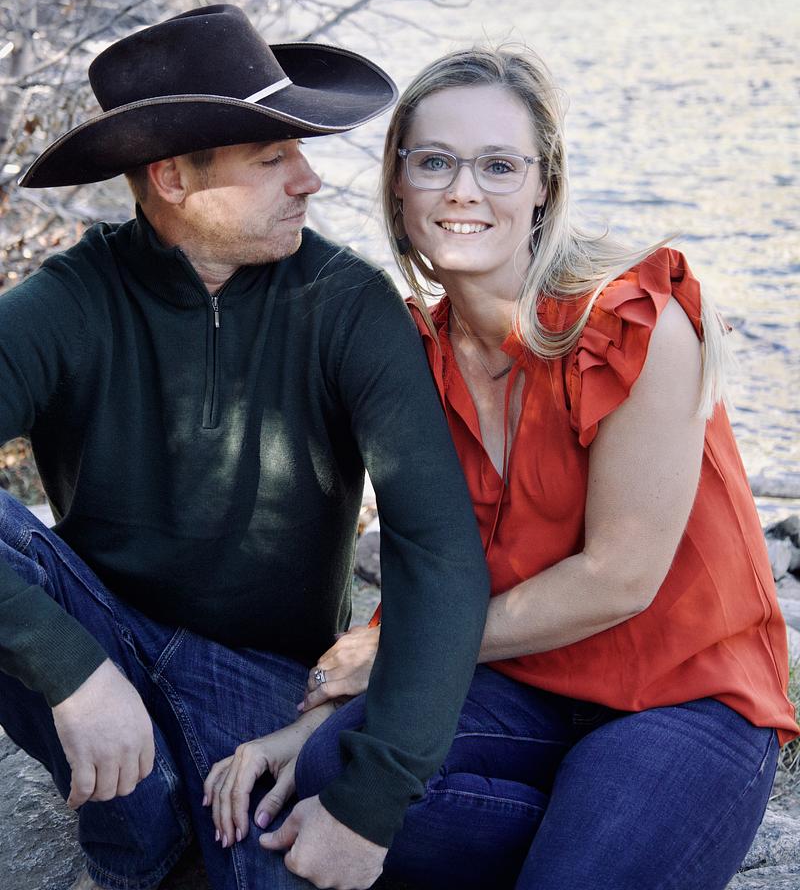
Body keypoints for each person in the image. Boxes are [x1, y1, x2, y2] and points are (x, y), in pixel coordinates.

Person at [215, 45, 797, 890]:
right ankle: (604, 832)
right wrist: (305, 731)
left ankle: (633, 828)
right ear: (398, 184)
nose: (463, 191)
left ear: (543, 187)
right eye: (434, 162)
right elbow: (434, 563)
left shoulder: (630, 319)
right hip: (522, 688)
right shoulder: (413, 357)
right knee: (334, 769)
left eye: (498, 165)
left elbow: (618, 578)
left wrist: (392, 655)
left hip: (687, 694)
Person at [0, 5, 489, 890]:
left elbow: (439, 555)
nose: (309, 179)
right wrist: (71, 669)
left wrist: (371, 800)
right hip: (107, 645)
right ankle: (141, 820)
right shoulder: (73, 299)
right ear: (171, 179)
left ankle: (161, 828)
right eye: (271, 159)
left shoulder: (347, 304)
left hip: (267, 693)